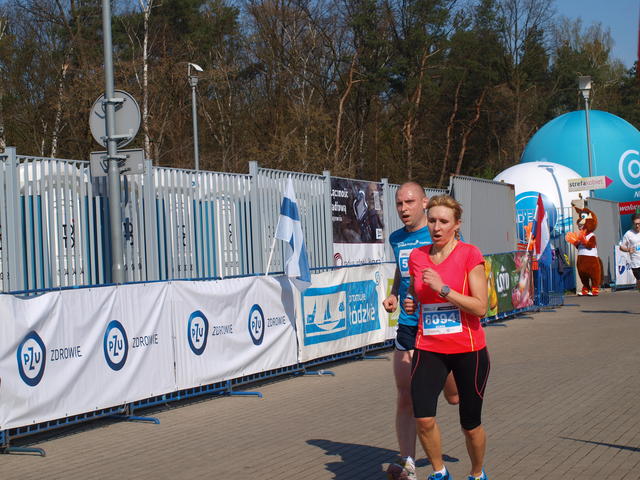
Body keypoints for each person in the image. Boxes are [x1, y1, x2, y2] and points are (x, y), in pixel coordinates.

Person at [405, 194, 490, 480]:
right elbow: (416, 290)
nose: (437, 227)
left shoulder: (469, 254)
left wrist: (444, 290)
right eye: (432, 221)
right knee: (423, 418)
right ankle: (440, 472)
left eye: (443, 221)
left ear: (456, 225)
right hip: (429, 347)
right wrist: (409, 300)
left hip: (468, 349)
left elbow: (480, 307)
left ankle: (476, 473)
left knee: (470, 425)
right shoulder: (417, 256)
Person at [383, 183, 459, 480]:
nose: (404, 209)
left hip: (438, 324)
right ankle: (407, 462)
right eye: (399, 203)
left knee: (454, 397)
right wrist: (394, 294)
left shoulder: (438, 233)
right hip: (408, 324)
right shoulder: (396, 238)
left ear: (424, 202)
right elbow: (402, 271)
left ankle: (453, 382)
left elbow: (457, 270)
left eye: (410, 202)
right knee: (406, 394)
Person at [619, 212, 640, 291]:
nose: (637, 226)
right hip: (635, 263)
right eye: (635, 224)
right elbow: (621, 247)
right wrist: (628, 249)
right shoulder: (628, 234)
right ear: (633, 223)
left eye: (639, 224)